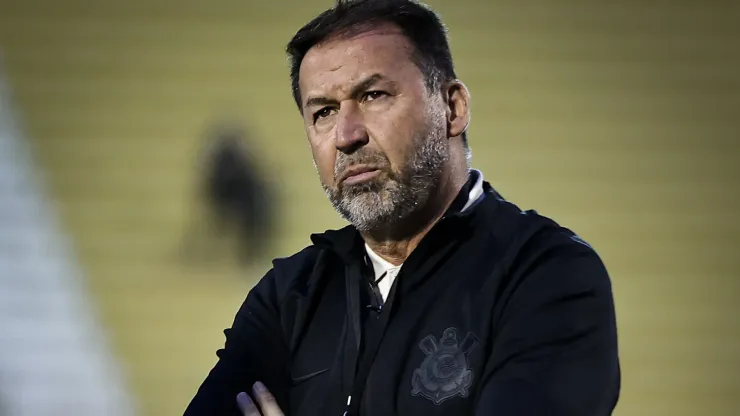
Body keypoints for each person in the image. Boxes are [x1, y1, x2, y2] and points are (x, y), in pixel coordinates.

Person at [184, 0, 620, 415]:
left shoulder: (544, 274)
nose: (346, 135)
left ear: (452, 107)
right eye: (324, 112)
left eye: (373, 95)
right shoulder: (289, 296)